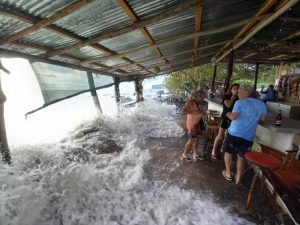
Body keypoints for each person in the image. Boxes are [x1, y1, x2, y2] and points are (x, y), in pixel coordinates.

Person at [222, 85, 267, 184]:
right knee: (241, 157)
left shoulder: (240, 102)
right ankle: (238, 179)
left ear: (246, 92)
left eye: (239, 91)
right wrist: (252, 118)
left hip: (234, 133)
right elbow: (263, 119)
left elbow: (233, 117)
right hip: (248, 137)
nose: (237, 92)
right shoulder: (261, 103)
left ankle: (228, 174)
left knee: (228, 153)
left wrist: (227, 114)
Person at [211, 83, 239, 160]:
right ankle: (213, 151)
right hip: (225, 118)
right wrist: (233, 95)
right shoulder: (227, 96)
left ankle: (223, 149)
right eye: (234, 88)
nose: (236, 90)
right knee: (220, 136)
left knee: (228, 136)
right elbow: (228, 105)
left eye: (237, 88)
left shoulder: (239, 98)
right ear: (231, 89)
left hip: (233, 119)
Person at [181, 90, 206, 162]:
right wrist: (193, 111)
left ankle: (195, 153)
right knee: (191, 140)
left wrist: (202, 113)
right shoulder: (190, 102)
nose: (203, 98)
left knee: (197, 139)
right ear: (197, 96)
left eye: (204, 96)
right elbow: (183, 111)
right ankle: (184, 154)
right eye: (202, 96)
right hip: (191, 124)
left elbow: (199, 112)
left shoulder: (199, 103)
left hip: (197, 124)